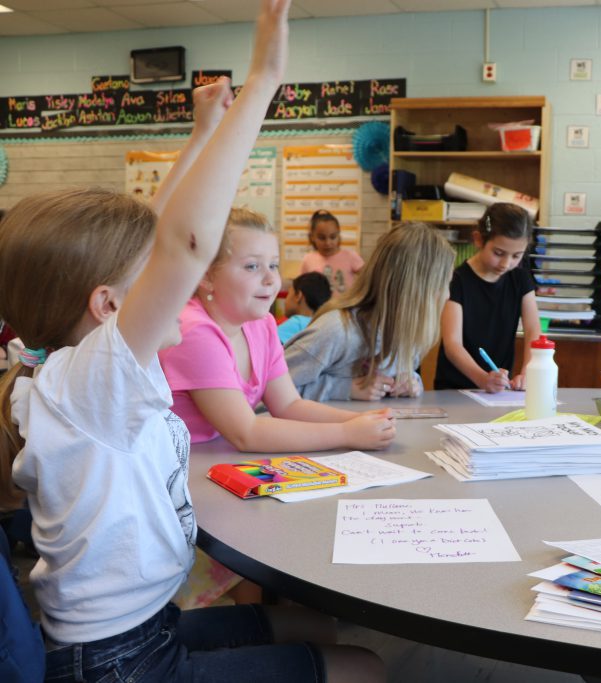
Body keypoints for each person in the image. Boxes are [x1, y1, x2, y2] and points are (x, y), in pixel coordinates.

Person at [0, 3, 384, 681]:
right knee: (362, 666)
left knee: (317, 624)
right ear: (109, 305)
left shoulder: (72, 371)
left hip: (145, 624)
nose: (171, 286)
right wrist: (264, 79)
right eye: (150, 282)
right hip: (119, 660)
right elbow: (181, 242)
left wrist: (203, 131)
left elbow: (157, 233)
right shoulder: (90, 383)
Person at [158, 206, 396, 451]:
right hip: (177, 468)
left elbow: (289, 405)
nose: (270, 279)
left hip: (214, 456)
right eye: (252, 267)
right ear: (206, 276)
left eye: (273, 265)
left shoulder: (262, 325)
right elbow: (246, 433)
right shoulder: (195, 331)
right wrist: (347, 433)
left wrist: (359, 421)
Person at [286, 222, 454, 401]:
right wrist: (342, 389)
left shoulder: (407, 334)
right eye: (443, 285)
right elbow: (264, 388)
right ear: (416, 290)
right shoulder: (337, 331)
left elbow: (402, 374)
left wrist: (411, 382)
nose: (447, 295)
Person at [434, 202, 542, 392]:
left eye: (516, 256)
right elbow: (453, 344)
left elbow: (533, 331)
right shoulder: (456, 280)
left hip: (499, 389)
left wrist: (527, 372)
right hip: (455, 388)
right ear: (478, 239)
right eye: (498, 253)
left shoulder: (520, 277)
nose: (506, 263)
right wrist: (482, 379)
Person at [300, 209, 364, 295]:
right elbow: (302, 288)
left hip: (346, 307)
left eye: (333, 237)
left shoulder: (350, 256)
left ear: (338, 235)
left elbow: (369, 278)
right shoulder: (308, 260)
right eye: (322, 238)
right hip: (320, 308)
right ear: (312, 237)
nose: (328, 243)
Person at [278, 271, 332, 344]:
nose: (285, 301)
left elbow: (264, 345)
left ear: (298, 296)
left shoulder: (297, 323)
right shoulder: (323, 324)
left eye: (289, 293)